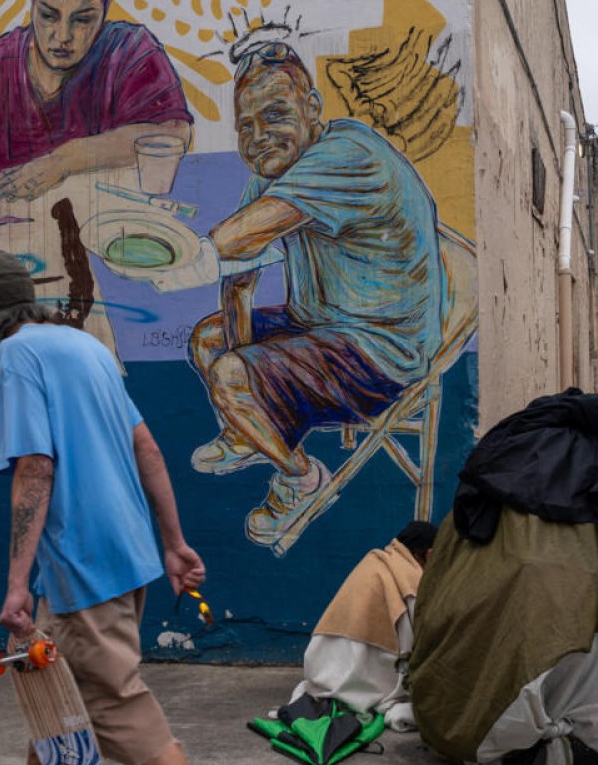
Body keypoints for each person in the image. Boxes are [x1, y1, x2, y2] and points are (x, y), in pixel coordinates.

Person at [0, 250, 265, 765]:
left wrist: (15, 584)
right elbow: (144, 444)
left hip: (81, 565)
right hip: (128, 554)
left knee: (108, 703)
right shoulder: (81, 345)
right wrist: (173, 543)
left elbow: (35, 469)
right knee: (57, 698)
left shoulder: (16, 357)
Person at [187, 41, 446, 545]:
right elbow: (239, 275)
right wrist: (242, 381)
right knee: (208, 342)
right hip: (322, 327)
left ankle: (300, 478)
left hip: (382, 349)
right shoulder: (274, 168)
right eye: (246, 126)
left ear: (312, 109)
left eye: (276, 114)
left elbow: (230, 240)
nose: (259, 137)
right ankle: (251, 430)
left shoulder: (347, 155)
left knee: (231, 374)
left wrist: (172, 254)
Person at [0, 0, 192, 202]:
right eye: (48, 15)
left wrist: (67, 160)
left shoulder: (131, 53)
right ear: (32, 6)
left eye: (83, 19)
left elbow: (175, 133)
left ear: (105, 10)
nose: (63, 36)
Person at [289, 521, 436, 729]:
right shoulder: (411, 578)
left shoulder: (374, 562)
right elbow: (418, 642)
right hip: (355, 684)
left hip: (318, 674)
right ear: (429, 555)